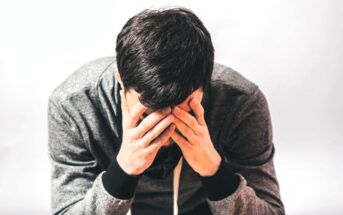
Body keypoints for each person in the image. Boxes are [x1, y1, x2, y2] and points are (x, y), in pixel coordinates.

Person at [48, 7, 285, 215]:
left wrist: (215, 171)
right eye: (148, 112)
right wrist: (121, 172)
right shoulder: (73, 105)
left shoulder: (241, 102)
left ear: (206, 84)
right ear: (121, 79)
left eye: (183, 109)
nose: (165, 126)